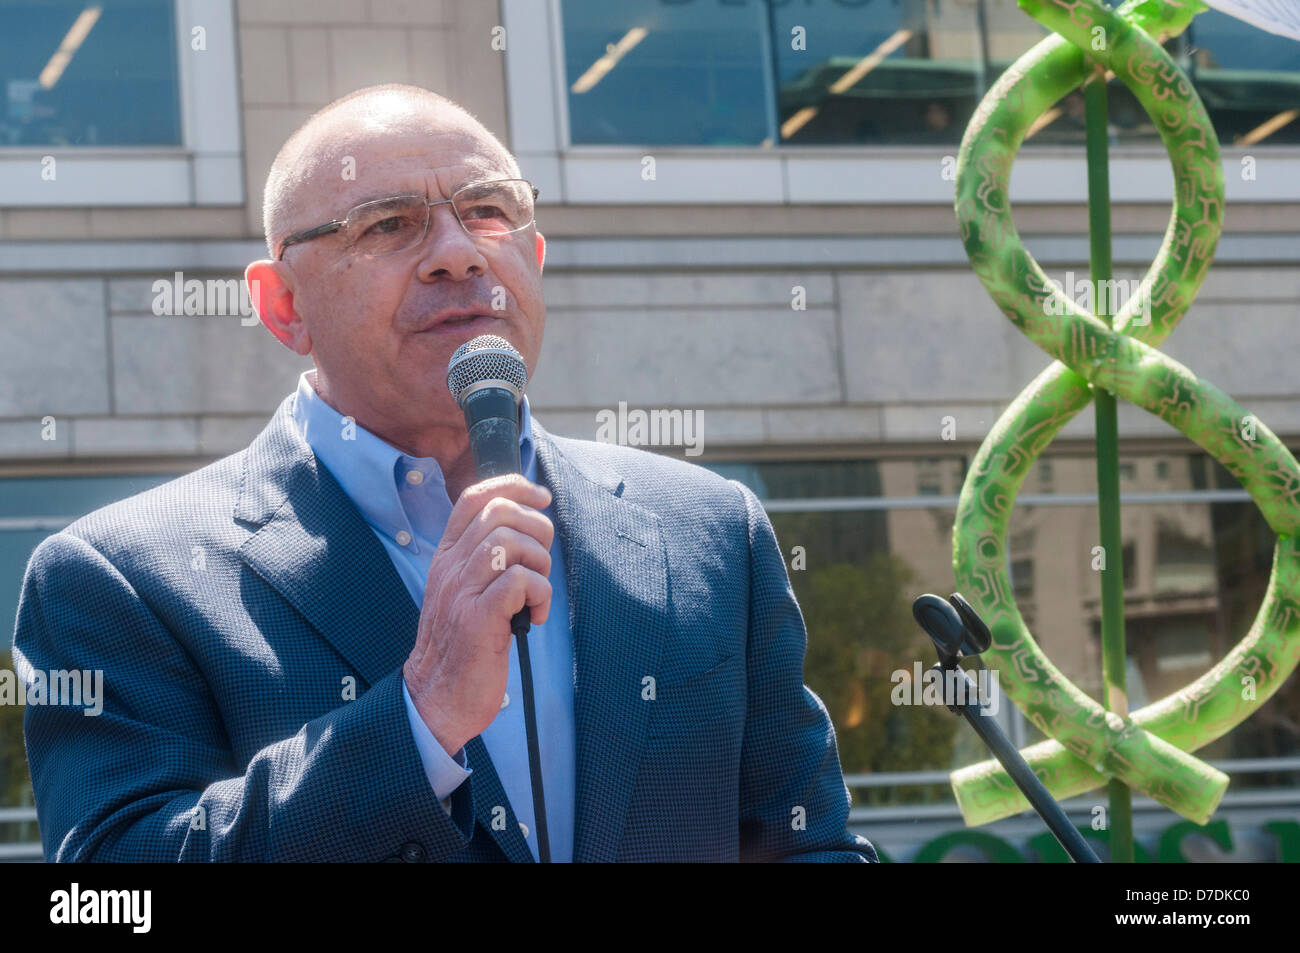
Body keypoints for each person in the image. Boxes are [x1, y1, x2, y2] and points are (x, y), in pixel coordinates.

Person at [14, 84, 877, 863]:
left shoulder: (709, 530)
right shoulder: (121, 577)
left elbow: (806, 843)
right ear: (284, 306)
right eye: (388, 224)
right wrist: (419, 714)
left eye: (489, 211)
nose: (458, 253)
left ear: (535, 261)